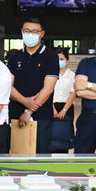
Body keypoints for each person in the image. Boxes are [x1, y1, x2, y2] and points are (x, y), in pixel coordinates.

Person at [7, 18, 58, 153]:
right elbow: (8, 86)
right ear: (22, 32)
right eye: (27, 31)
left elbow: (48, 89)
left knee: (40, 156)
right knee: (18, 156)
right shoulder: (15, 57)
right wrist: (24, 101)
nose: (30, 34)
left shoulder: (51, 56)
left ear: (42, 34)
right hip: (16, 114)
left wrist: (28, 111)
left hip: (41, 116)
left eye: (35, 32)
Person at [51, 47, 76, 153]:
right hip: (51, 106)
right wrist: (52, 109)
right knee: (50, 136)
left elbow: (73, 93)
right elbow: (47, 92)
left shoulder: (72, 75)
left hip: (67, 107)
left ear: (67, 60)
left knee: (63, 136)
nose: (59, 62)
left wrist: (64, 110)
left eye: (61, 59)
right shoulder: (50, 74)